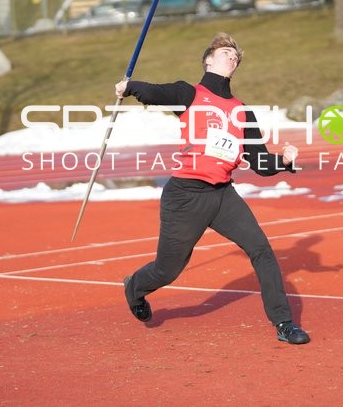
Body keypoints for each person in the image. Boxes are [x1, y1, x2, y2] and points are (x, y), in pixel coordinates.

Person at [115, 32, 310, 344]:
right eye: (225, 52)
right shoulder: (188, 93)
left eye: (235, 55)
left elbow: (259, 163)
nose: (232, 56)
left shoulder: (241, 111)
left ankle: (284, 324)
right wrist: (130, 87)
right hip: (185, 196)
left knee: (261, 250)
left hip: (222, 196)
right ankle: (135, 287)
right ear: (208, 60)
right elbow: (154, 92)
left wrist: (284, 162)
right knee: (168, 269)